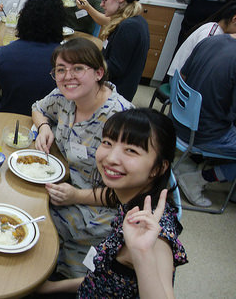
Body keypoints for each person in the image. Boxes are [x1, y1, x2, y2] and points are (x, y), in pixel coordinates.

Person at [37, 108, 187, 297]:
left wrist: (143, 254)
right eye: (107, 143)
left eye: (131, 150)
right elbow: (103, 277)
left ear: (158, 168)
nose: (111, 158)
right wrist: (53, 287)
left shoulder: (155, 234)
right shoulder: (130, 194)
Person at [32, 38, 133, 278]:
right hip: (64, 185)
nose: (68, 76)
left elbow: (126, 193)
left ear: (99, 72)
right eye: (60, 70)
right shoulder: (64, 96)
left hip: (99, 208)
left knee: (33, 230)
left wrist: (76, 195)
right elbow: (38, 107)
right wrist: (45, 127)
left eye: (78, 68)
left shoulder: (121, 121)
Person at [172, 33, 236, 207]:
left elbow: (183, 77)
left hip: (179, 120)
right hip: (204, 133)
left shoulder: (211, 40)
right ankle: (200, 179)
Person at [0, 0, 65, 116]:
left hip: (6, 120)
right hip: (48, 124)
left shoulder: (3, 53)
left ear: (24, 17)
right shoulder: (66, 59)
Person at [98, 0, 149, 102]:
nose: (101, 4)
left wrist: (87, 65)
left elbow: (115, 68)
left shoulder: (129, 27)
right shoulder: (133, 20)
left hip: (115, 94)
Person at [167, 0, 236, 78]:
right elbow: (200, 65)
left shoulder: (216, 30)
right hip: (180, 80)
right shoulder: (211, 33)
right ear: (234, 19)